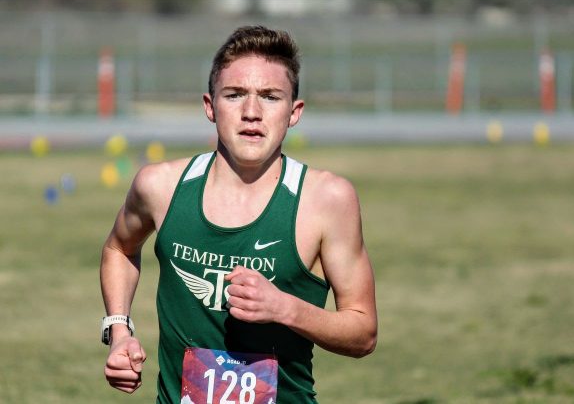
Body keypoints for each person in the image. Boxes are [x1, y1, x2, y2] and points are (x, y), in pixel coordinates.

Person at [100, 25, 377, 404]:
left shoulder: (327, 199)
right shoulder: (159, 186)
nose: (251, 112)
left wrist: (285, 308)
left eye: (270, 97)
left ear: (294, 112)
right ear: (210, 106)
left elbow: (363, 333)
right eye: (234, 95)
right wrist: (119, 331)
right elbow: (119, 248)